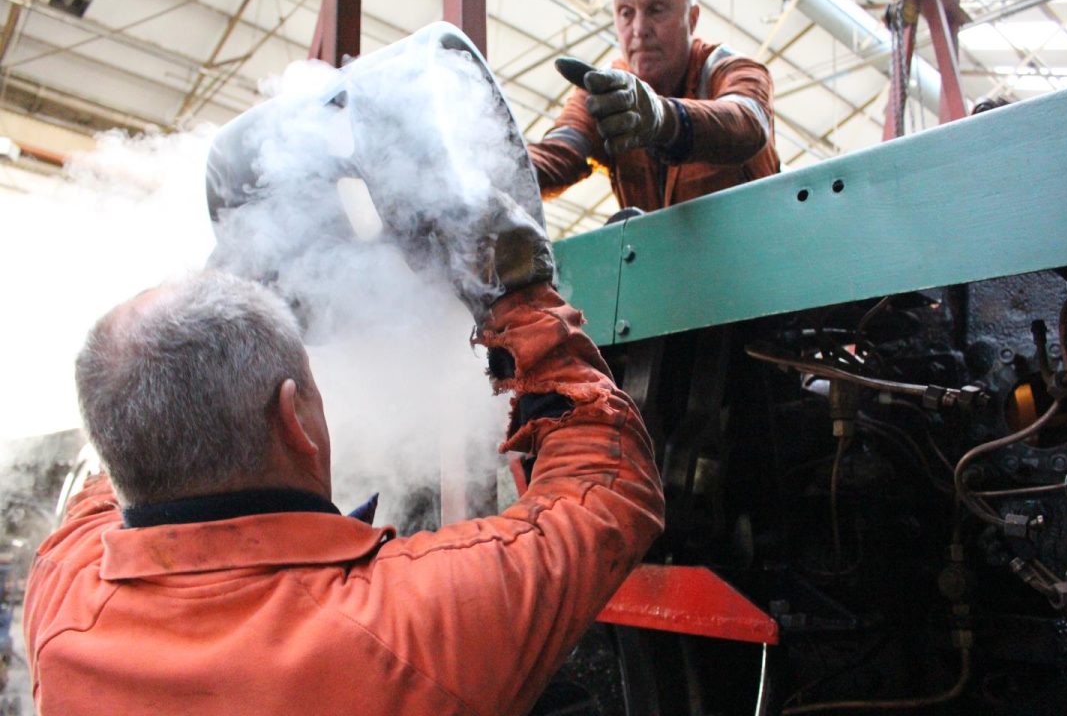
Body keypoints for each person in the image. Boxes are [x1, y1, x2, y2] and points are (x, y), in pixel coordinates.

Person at [23, 205, 663, 714]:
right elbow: (605, 489)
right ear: (293, 418)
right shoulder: (409, 629)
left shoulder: (61, 598)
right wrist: (522, 300)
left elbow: (127, 463)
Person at [528, 0, 780, 212]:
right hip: (663, 266)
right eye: (626, 12)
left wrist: (664, 118)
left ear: (692, 19)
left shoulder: (732, 71)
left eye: (656, 9)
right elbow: (560, 153)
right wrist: (496, 171)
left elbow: (748, 122)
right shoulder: (604, 90)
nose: (639, 29)